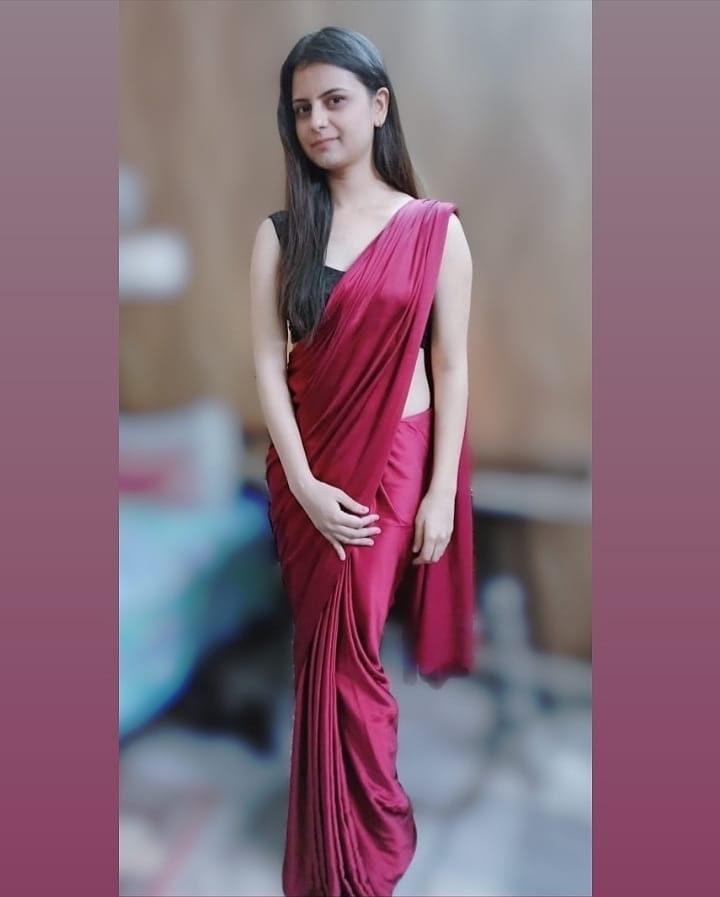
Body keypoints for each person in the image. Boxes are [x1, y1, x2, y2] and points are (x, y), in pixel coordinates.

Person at [249, 26, 477, 897]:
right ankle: (335, 854)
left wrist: (442, 494)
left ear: (379, 106)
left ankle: (363, 855)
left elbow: (450, 365)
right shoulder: (280, 235)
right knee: (322, 651)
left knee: (351, 659)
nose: (318, 121)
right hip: (307, 473)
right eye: (302, 108)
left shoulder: (433, 231)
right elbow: (268, 363)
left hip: (396, 463)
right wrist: (305, 483)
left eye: (335, 101)